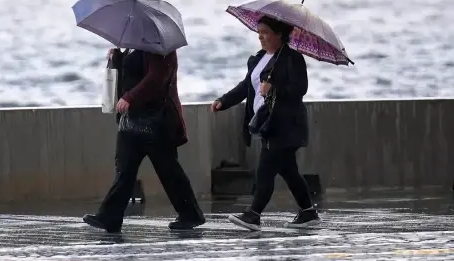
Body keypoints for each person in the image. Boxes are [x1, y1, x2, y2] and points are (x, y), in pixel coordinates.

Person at [211, 16, 320, 231]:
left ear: (279, 34)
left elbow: (300, 90)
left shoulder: (292, 59)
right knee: (289, 170)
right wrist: (223, 101)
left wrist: (274, 87)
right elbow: (246, 86)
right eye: (259, 32)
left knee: (266, 169)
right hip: (266, 123)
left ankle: (254, 214)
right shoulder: (259, 58)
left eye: (265, 32)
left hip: (286, 124)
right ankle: (308, 212)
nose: (260, 36)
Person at [83, 48, 205, 233]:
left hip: (157, 122)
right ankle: (109, 217)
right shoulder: (132, 47)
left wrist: (130, 97)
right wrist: (116, 57)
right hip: (131, 122)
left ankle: (191, 214)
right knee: (124, 169)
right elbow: (129, 76)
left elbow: (156, 78)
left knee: (169, 171)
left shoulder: (159, 47)